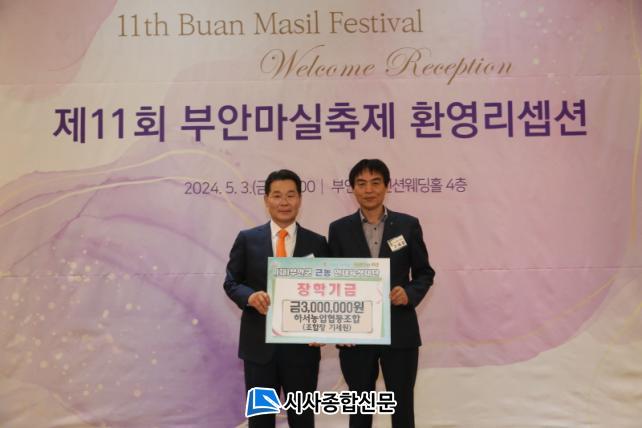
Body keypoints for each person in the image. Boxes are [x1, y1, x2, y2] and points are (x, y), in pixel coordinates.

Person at [328, 159, 435, 428]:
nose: (369, 190)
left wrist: (409, 293)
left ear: (387, 186)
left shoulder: (408, 225)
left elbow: (424, 273)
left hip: (399, 330)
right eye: (361, 184)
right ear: (352, 189)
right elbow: (331, 280)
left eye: (376, 183)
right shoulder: (338, 229)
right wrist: (337, 328)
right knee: (360, 408)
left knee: (402, 407)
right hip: (355, 334)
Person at [224, 169, 329, 428]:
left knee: (302, 421)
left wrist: (324, 328)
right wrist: (250, 297)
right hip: (259, 351)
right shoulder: (247, 239)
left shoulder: (318, 243)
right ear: (266, 199)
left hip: (303, 352)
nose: (284, 202)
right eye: (277, 195)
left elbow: (328, 292)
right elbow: (231, 282)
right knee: (260, 421)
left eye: (291, 195)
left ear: (300, 199)